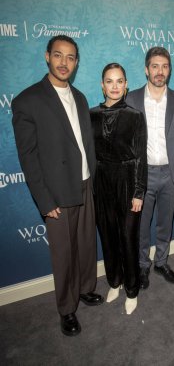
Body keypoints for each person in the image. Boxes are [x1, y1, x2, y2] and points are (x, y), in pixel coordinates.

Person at [12, 35, 103, 337]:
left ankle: (87, 288)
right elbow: (29, 157)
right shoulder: (27, 100)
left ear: (77, 62)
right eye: (59, 56)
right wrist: (44, 199)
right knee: (64, 253)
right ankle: (67, 308)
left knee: (87, 243)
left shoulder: (80, 97)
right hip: (56, 193)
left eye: (71, 57)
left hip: (85, 182)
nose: (64, 63)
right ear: (47, 57)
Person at [126, 47, 174, 289]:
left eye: (164, 66)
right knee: (143, 225)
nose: (160, 71)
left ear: (169, 70)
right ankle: (143, 265)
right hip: (142, 176)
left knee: (166, 222)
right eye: (155, 66)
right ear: (146, 69)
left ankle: (161, 262)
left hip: (171, 175)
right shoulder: (131, 99)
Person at [90, 63, 147, 314]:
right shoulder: (90, 115)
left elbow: (140, 157)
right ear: (102, 85)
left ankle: (132, 289)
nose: (115, 86)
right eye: (110, 81)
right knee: (108, 235)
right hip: (101, 181)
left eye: (120, 81)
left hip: (127, 180)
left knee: (127, 237)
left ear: (126, 85)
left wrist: (138, 191)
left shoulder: (135, 116)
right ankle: (115, 281)